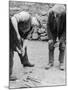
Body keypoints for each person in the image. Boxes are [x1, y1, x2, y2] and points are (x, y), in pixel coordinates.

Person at [10, 11, 40, 80]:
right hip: (9, 32)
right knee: (10, 52)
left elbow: (26, 39)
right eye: (37, 24)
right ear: (35, 19)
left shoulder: (32, 27)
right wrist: (17, 33)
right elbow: (13, 19)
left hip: (17, 37)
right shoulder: (26, 15)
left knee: (23, 47)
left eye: (37, 26)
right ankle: (8, 74)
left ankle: (25, 62)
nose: (36, 26)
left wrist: (22, 48)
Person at [45, 4, 66, 70]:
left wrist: (60, 41)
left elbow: (66, 30)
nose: (57, 15)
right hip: (53, 31)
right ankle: (50, 62)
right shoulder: (51, 13)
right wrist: (50, 38)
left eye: (59, 14)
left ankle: (61, 62)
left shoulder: (65, 14)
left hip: (62, 31)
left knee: (62, 46)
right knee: (51, 45)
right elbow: (48, 26)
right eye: (56, 13)